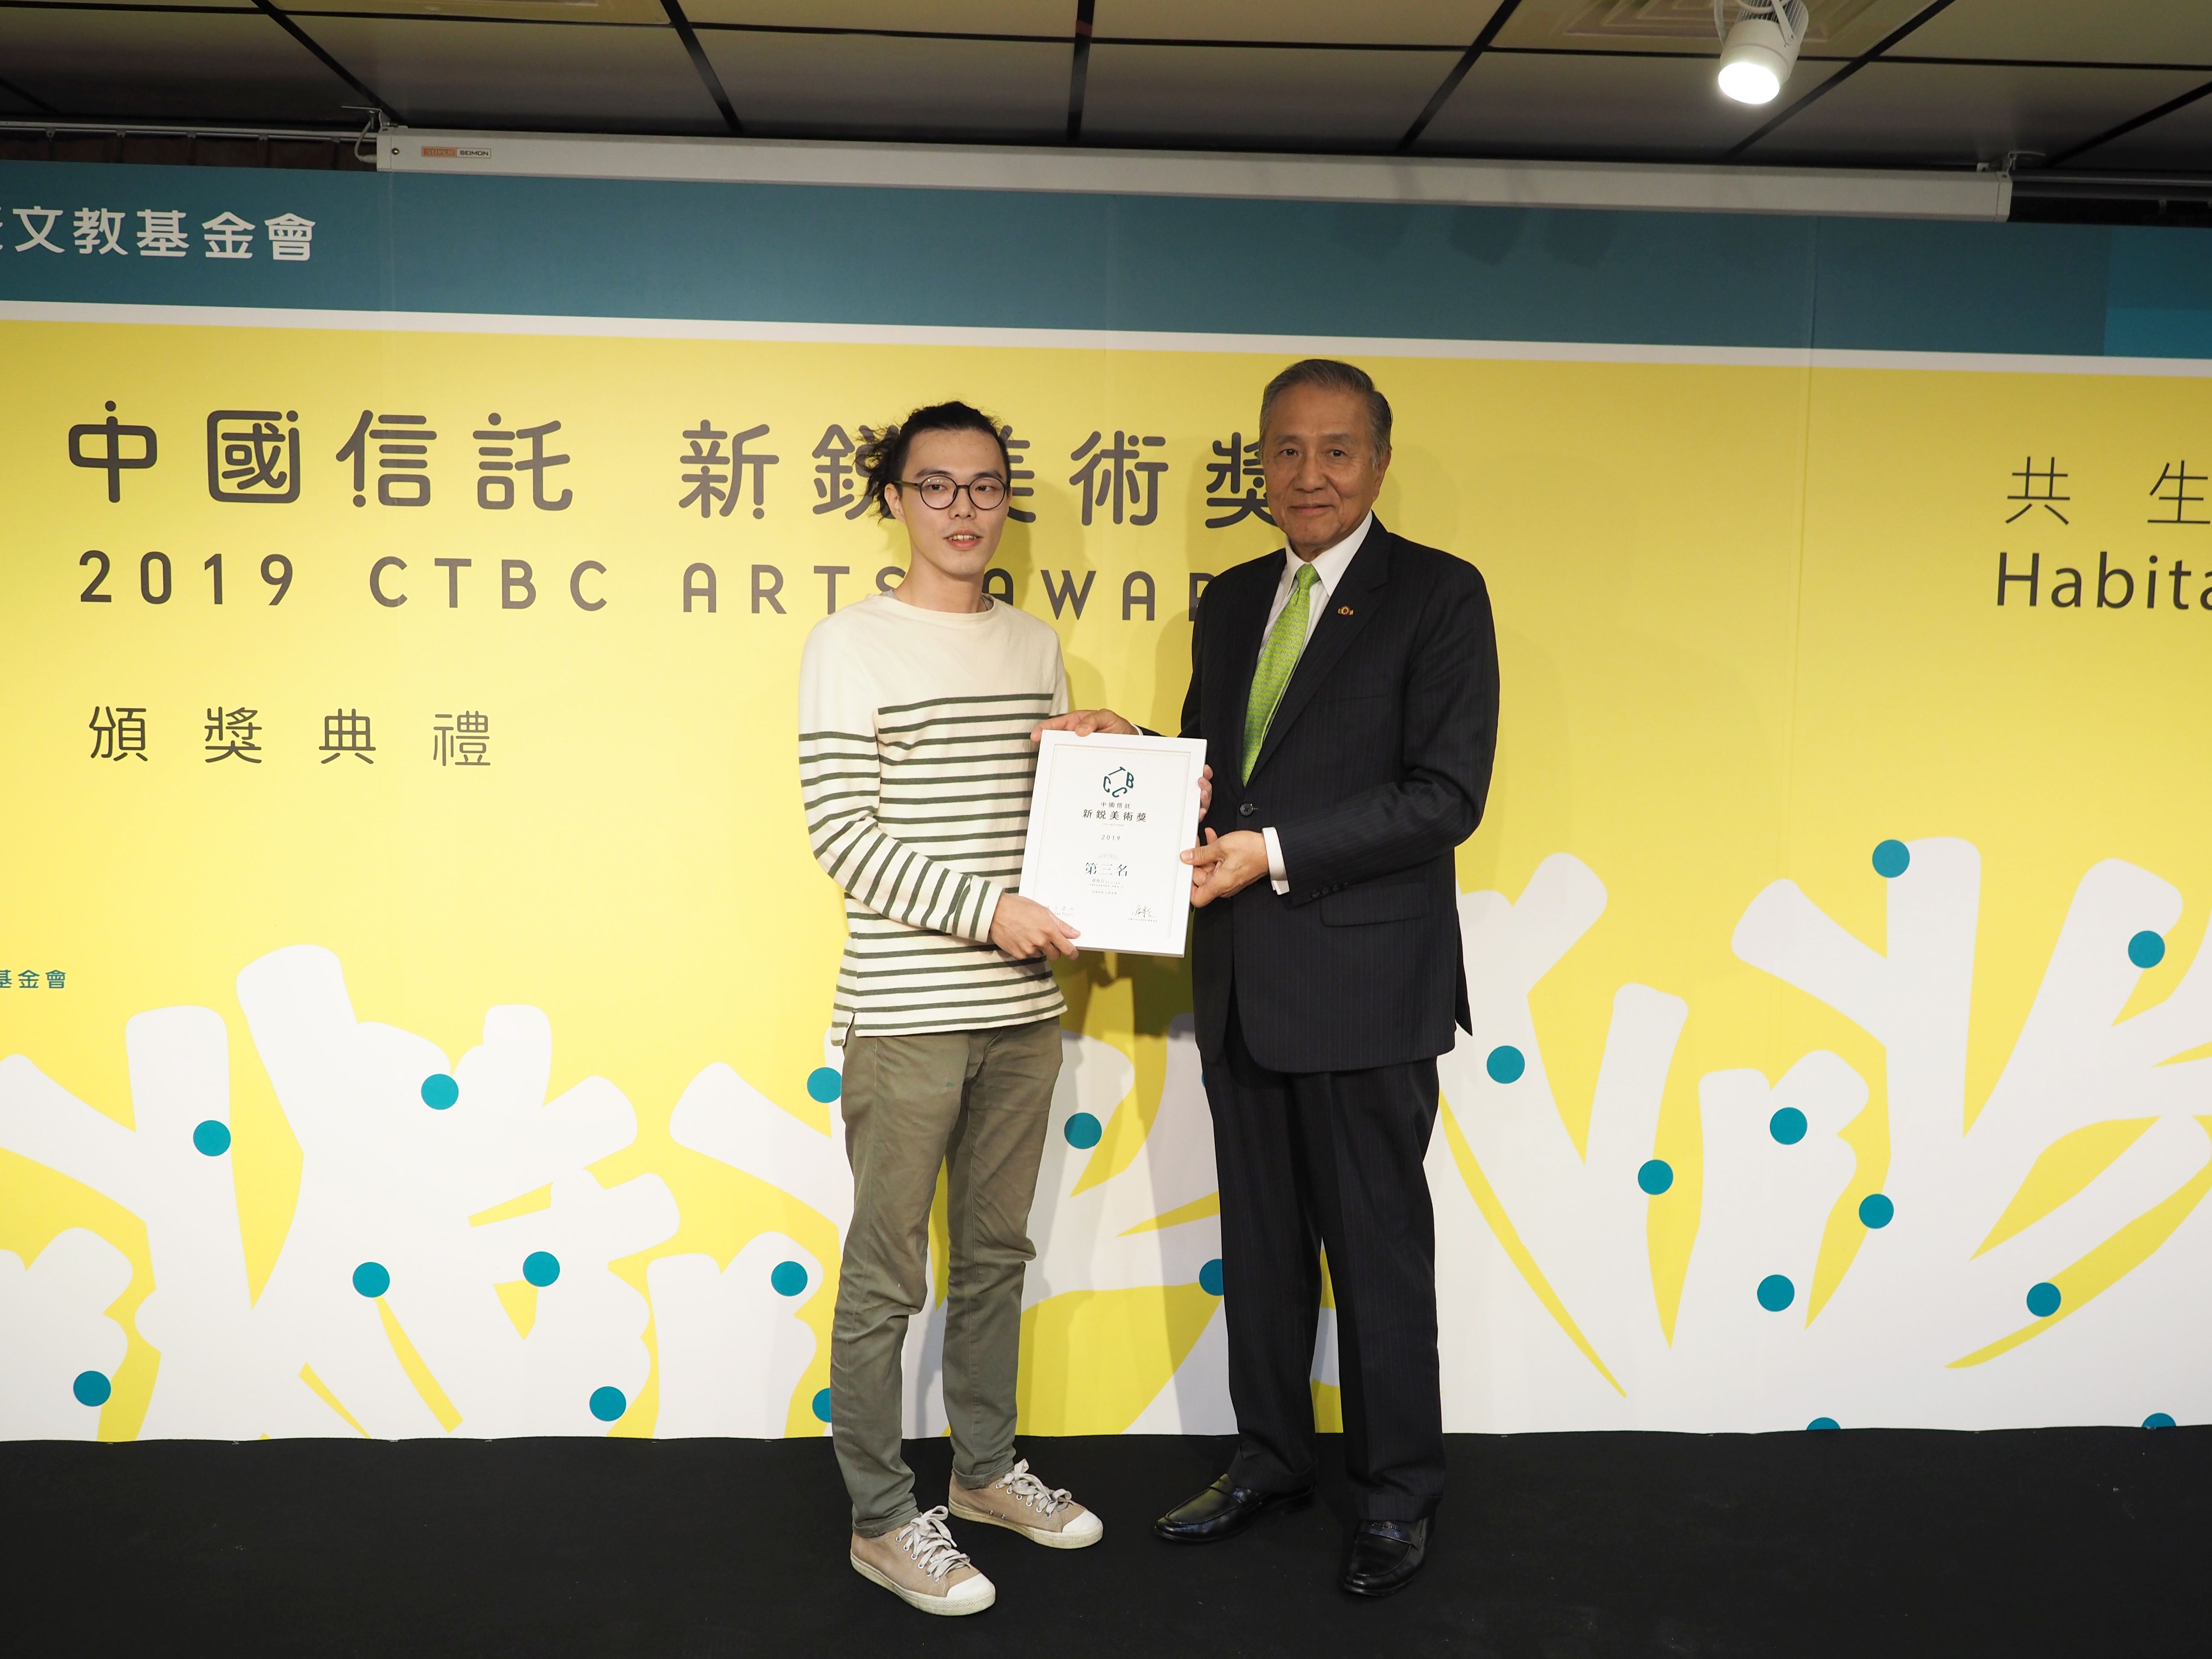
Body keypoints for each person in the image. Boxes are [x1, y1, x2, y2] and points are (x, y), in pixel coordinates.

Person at [1143, 359, 1498, 1596]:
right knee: (1264, 1248)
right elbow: (1219, 771)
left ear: (1379, 463)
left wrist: (1275, 852)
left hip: (1366, 986)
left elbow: (1445, 796)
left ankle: (1398, 1493)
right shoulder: (1236, 598)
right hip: (1244, 979)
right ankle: (1271, 1459)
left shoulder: (1439, 595)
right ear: (1261, 462)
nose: (1309, 475)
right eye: (1286, 450)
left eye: (1336, 450)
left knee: (1377, 1253)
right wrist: (1132, 761)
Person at [797, 401, 1108, 1617]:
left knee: (993, 1258)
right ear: (895, 501)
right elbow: (844, 837)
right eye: (936, 486)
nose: (963, 509)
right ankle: (882, 1517)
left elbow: (1058, 822)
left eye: (984, 486)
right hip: (908, 1009)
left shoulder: (1034, 646)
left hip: (1024, 1007)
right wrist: (990, 911)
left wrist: (1120, 764)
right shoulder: (850, 645)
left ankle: (982, 1474)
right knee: (888, 1274)